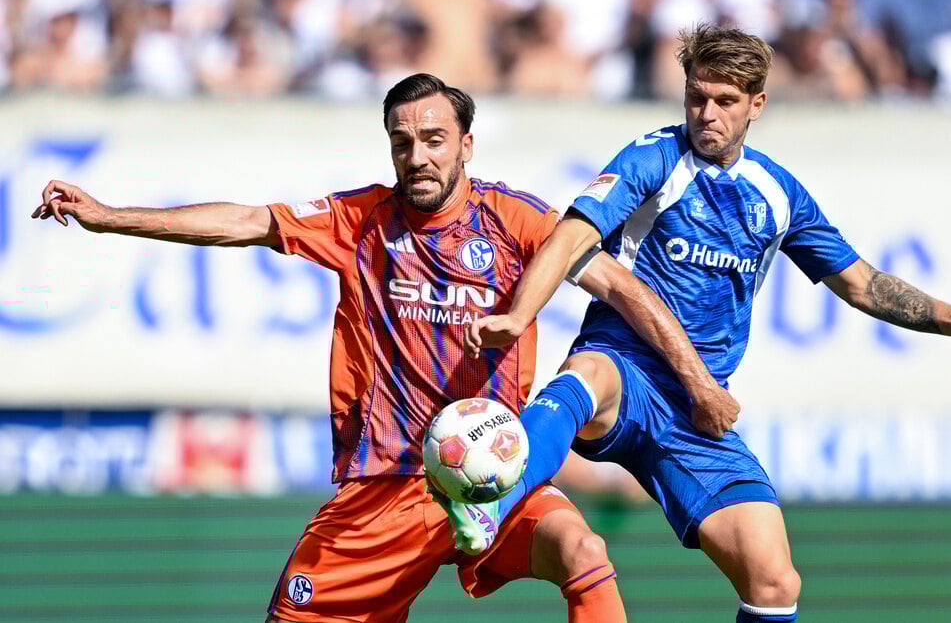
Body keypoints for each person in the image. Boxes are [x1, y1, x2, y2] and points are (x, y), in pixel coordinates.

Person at [32, 73, 734, 623]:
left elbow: (620, 286)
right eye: (402, 141)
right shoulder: (360, 221)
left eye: (433, 138)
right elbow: (247, 221)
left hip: (490, 483)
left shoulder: (516, 221)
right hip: (383, 488)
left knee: (583, 552)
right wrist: (108, 216)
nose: (417, 154)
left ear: (465, 144)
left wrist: (697, 383)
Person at [463, 24, 951, 623]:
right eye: (697, 97)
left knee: (774, 580)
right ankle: (489, 505)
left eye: (725, 101)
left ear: (757, 105)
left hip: (699, 410)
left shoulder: (778, 194)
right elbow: (571, 238)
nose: (707, 114)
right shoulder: (653, 158)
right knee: (589, 374)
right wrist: (518, 314)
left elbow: (862, 285)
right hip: (628, 365)